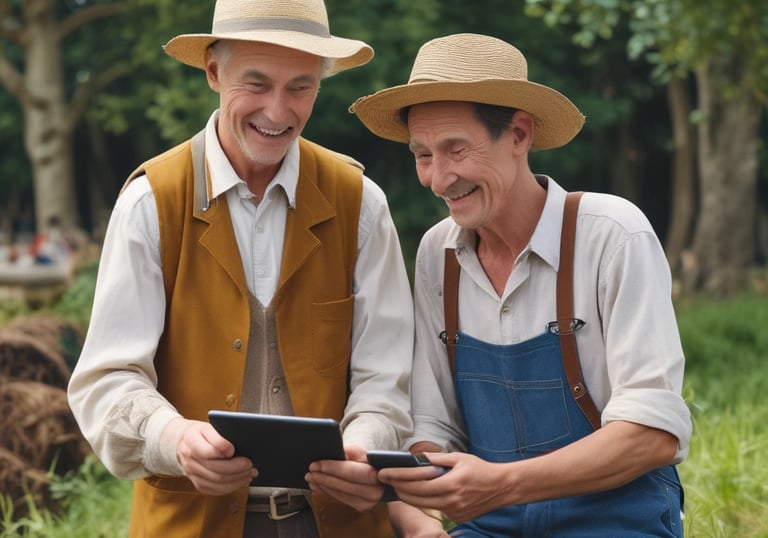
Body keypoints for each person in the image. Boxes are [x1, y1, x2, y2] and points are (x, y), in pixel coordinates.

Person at [66, 1, 414, 537]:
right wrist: (174, 438)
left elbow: (386, 377)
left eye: (301, 87)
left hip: (339, 523)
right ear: (213, 72)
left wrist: (365, 441)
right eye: (257, 84)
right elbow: (108, 380)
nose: (279, 112)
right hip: (188, 524)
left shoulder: (360, 202)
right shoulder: (151, 202)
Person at [349, 33, 692, 537]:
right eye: (422, 155)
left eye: (456, 150)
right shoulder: (436, 255)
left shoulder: (613, 235)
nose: (438, 179)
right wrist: (421, 513)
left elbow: (652, 434)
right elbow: (432, 426)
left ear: (519, 135)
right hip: (489, 528)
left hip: (619, 522)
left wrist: (503, 484)